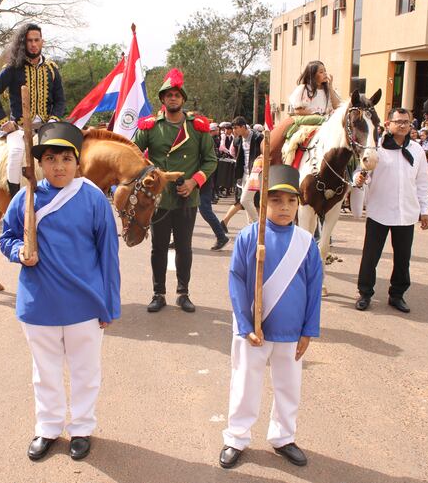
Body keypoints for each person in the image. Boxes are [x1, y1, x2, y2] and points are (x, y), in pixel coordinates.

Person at [0, 122, 120, 462]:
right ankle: (48, 428)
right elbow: (6, 237)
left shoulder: (94, 198)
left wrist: (109, 305)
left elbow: (108, 255)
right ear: (39, 163)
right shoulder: (26, 197)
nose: (59, 166)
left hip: (85, 304)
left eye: (66, 158)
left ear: (77, 162)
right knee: (45, 373)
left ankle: (81, 428)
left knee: (85, 371)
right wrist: (19, 252)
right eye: (50, 159)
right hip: (39, 304)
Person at [219, 164, 322, 470]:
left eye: (291, 201)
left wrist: (308, 330)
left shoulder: (306, 242)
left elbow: (314, 288)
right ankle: (236, 437)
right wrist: (244, 322)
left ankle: (283, 436)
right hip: (254, 328)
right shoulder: (249, 236)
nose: (285, 208)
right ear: (263, 203)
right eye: (276, 201)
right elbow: (236, 278)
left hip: (291, 330)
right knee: (245, 382)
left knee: (289, 386)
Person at [133, 68, 217, 313]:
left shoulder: (197, 127)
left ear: (183, 99)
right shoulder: (150, 127)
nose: (173, 98)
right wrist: (148, 176)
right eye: (168, 95)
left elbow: (210, 160)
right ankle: (158, 293)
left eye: (177, 95)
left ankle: (183, 293)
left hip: (186, 197)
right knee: (158, 247)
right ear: (162, 99)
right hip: (159, 198)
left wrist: (193, 182)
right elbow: (135, 155)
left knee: (184, 247)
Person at [353, 108, 428, 313]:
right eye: (399, 122)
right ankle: (365, 293)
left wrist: (425, 210)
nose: (403, 125)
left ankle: (397, 295)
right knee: (371, 256)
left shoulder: (417, 150)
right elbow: (362, 173)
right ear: (388, 124)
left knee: (403, 258)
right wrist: (359, 180)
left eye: (407, 122)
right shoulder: (376, 148)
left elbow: (422, 182)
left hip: (406, 213)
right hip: (379, 211)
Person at [0, 23, 66, 197]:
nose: (33, 44)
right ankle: (15, 198)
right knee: (15, 153)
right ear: (23, 43)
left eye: (37, 40)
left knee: (64, 154)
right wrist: (4, 122)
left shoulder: (52, 69)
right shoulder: (13, 68)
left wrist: (53, 119)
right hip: (19, 127)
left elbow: (60, 100)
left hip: (47, 127)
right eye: (29, 41)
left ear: (42, 42)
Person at [269, 61, 341, 165]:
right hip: (308, 123)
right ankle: (289, 163)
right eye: (321, 72)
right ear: (313, 75)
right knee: (294, 141)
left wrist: (330, 87)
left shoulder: (329, 90)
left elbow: (337, 106)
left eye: (325, 71)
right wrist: (315, 115)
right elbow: (298, 110)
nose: (325, 73)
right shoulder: (303, 89)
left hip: (326, 123)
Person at [200, 123, 230, 250]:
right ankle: (179, 239)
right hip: (197, 180)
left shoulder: (205, 140)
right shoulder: (200, 139)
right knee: (184, 211)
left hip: (202, 180)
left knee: (205, 210)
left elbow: (211, 162)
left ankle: (221, 236)